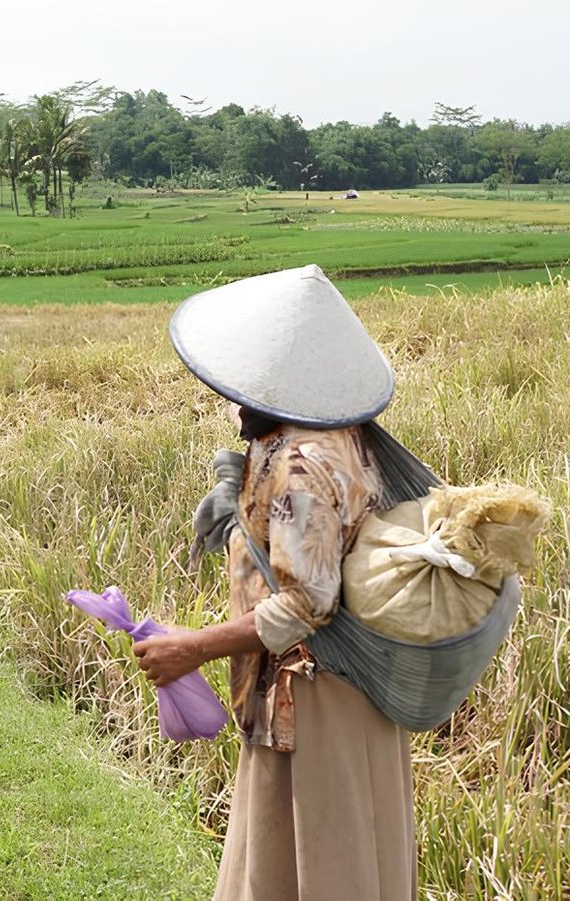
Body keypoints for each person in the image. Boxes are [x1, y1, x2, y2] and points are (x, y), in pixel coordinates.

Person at [134, 264, 416, 900]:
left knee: (319, 861)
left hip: (314, 704)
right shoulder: (342, 435)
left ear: (284, 387)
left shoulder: (300, 469)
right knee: (344, 852)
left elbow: (307, 604)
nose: (236, 401)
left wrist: (194, 646)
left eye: (248, 386)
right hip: (348, 694)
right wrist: (235, 496)